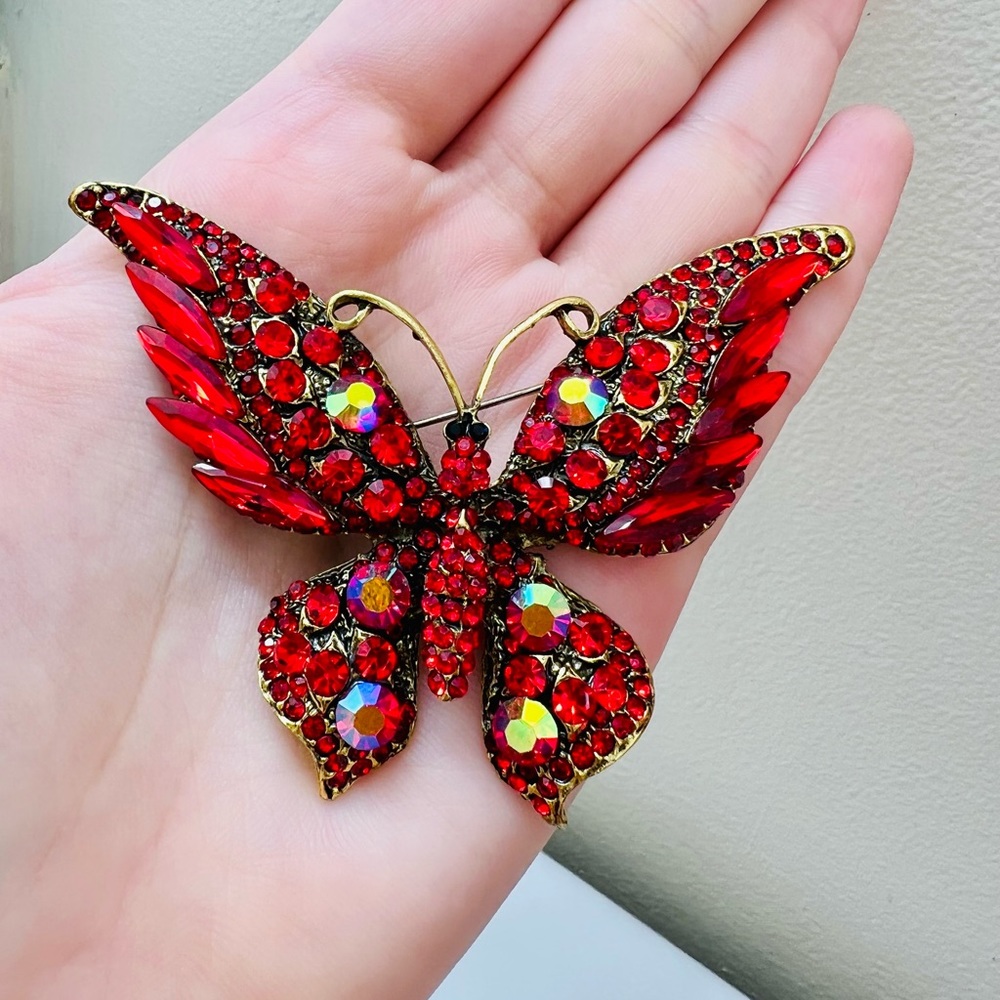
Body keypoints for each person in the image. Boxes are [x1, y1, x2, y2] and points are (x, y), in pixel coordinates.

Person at [0, 1, 911, 997]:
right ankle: (481, 732)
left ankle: (385, 725)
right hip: (511, 620)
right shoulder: (555, 457)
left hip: (369, 611)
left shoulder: (374, 442)